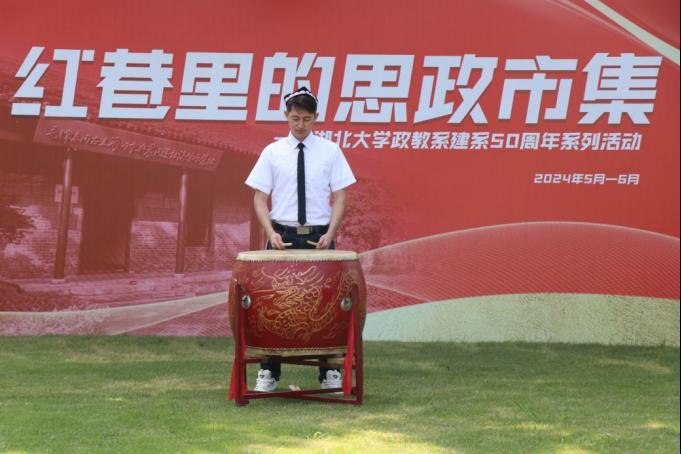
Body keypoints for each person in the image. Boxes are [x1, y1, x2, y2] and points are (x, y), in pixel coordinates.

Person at [244, 86, 357, 392]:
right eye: (295, 118)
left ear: (315, 117)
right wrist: (270, 233)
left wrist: (331, 234)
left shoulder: (330, 151)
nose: (300, 125)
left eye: (306, 119)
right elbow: (259, 199)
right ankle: (269, 372)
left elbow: (341, 196)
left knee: (327, 303)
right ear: (286, 116)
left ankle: (330, 372)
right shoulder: (273, 152)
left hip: (320, 236)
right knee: (274, 303)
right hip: (281, 235)